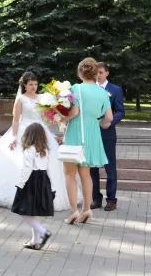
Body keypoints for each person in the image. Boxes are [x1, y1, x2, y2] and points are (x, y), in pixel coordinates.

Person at [0, 71, 82, 211]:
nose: (33, 87)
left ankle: (49, 195)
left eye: (35, 84)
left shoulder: (43, 98)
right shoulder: (21, 99)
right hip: (24, 131)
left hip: (40, 130)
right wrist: (14, 137)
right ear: (25, 85)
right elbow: (16, 120)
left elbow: (46, 117)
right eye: (30, 84)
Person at [61, 58, 113, 225]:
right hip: (92, 135)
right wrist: (94, 123)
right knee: (86, 174)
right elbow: (109, 118)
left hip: (76, 134)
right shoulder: (103, 92)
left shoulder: (76, 88)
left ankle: (73, 211)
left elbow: (74, 112)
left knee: (69, 174)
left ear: (81, 71)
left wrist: (63, 118)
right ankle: (86, 209)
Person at [12, 122, 55, 251]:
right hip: (43, 181)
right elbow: (49, 169)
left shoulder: (29, 150)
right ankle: (35, 241)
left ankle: (43, 232)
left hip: (31, 182)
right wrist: (52, 187)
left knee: (24, 212)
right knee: (33, 213)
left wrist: (20, 185)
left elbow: (27, 169)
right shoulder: (45, 150)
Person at [90, 62, 125, 211]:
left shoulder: (115, 90)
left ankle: (111, 199)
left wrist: (110, 122)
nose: (98, 75)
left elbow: (120, 111)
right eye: (96, 72)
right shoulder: (89, 89)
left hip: (107, 133)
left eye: (101, 72)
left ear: (107, 73)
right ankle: (96, 198)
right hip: (91, 132)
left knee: (110, 167)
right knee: (92, 168)